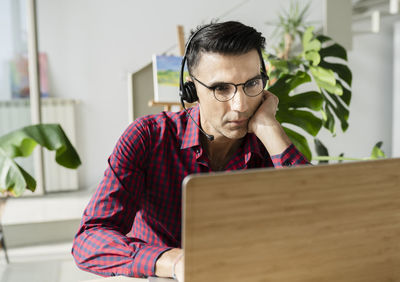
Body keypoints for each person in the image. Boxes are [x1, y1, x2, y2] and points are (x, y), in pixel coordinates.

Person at [72, 21, 309, 281]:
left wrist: (269, 128)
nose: (240, 105)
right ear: (191, 88)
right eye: (221, 88)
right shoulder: (148, 138)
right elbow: (89, 239)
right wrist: (174, 261)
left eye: (252, 84)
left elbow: (322, 221)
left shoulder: (268, 145)